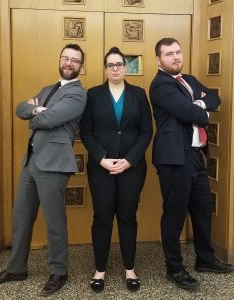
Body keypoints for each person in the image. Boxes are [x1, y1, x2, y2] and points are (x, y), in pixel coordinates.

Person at [0, 44, 87, 297]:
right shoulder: (47, 89)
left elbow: (48, 119)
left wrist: (37, 112)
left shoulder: (78, 94)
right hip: (31, 162)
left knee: (54, 222)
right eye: (65, 58)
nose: (68, 63)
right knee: (21, 217)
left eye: (74, 60)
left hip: (54, 164)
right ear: (59, 60)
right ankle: (17, 268)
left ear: (81, 67)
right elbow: (20, 108)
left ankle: (59, 272)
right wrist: (35, 109)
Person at [149, 38, 234, 290]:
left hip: (195, 156)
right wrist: (199, 107)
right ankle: (174, 268)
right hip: (174, 158)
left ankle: (205, 259)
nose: (175, 57)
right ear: (158, 60)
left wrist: (199, 103)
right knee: (174, 215)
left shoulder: (190, 80)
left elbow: (215, 98)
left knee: (203, 208)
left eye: (178, 52)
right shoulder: (160, 85)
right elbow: (191, 114)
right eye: (169, 54)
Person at [80, 47, 152, 293]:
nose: (115, 68)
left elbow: (146, 131)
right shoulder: (93, 94)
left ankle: (129, 268)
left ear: (125, 66)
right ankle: (99, 269)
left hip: (132, 167)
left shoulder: (139, 94)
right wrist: (101, 158)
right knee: (102, 217)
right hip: (101, 167)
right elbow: (86, 131)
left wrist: (130, 160)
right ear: (105, 68)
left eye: (119, 64)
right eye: (110, 65)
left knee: (127, 216)